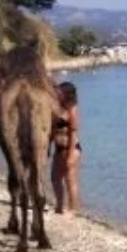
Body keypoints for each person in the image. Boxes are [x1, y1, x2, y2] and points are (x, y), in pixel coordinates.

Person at [50, 81, 81, 216]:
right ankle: (59, 206)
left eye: (60, 92)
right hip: (58, 148)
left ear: (66, 94)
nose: (57, 93)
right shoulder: (57, 108)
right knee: (55, 178)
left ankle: (73, 210)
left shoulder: (72, 109)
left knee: (70, 180)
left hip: (72, 149)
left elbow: (73, 133)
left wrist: (69, 157)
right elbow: (52, 130)